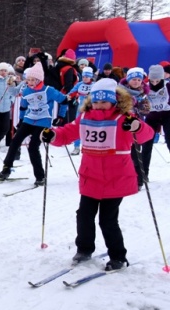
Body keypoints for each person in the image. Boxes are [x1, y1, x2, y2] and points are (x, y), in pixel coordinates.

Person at [40, 78, 154, 271]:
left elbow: (146, 135)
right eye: (96, 101)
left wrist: (137, 127)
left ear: (115, 101)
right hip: (90, 176)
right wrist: (54, 135)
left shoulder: (123, 119)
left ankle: (118, 256)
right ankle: (84, 249)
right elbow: (68, 133)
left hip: (115, 178)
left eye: (104, 101)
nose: (100, 105)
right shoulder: (84, 118)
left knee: (108, 219)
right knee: (84, 215)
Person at [0, 63, 67, 185]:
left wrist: (60, 116)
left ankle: (40, 176)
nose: (30, 82)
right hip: (29, 119)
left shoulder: (49, 90)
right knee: (15, 141)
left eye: (32, 80)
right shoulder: (27, 90)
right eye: (28, 80)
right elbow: (23, 106)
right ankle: (6, 168)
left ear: (39, 80)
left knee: (33, 147)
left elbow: (64, 101)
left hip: (43, 121)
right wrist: (21, 119)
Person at [66, 66, 96, 154]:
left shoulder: (94, 85)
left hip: (91, 110)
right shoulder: (79, 84)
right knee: (78, 127)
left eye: (87, 76)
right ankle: (76, 146)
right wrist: (68, 97)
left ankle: (90, 146)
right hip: (80, 110)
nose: (85, 78)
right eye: (83, 77)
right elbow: (71, 92)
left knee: (90, 128)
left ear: (91, 76)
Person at [145, 65, 170, 154]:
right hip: (152, 116)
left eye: (157, 81)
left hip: (167, 114)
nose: (154, 83)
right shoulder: (145, 87)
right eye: (152, 81)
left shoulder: (167, 85)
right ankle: (144, 167)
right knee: (147, 142)